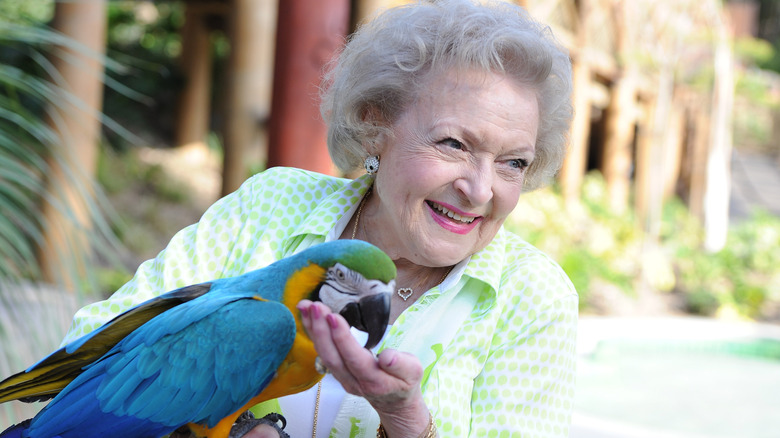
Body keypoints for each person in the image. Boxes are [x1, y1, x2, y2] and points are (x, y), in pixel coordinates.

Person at [61, 0, 578, 436]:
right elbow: (95, 351)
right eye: (454, 144)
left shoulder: (531, 294)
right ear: (375, 124)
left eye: (514, 162)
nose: (480, 190)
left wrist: (407, 421)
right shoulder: (273, 207)